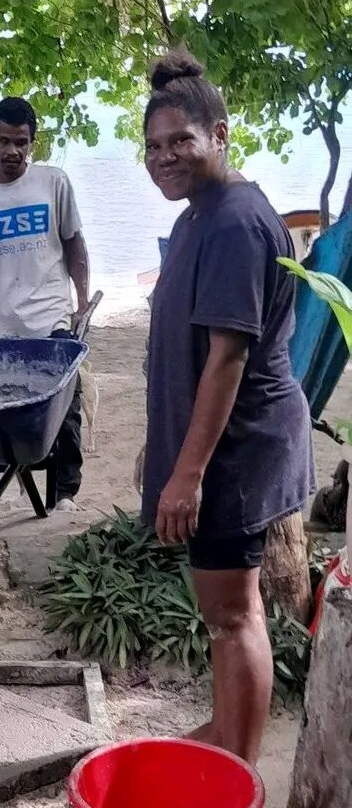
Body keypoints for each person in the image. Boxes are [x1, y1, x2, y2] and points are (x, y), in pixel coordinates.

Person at [141, 49, 313, 764]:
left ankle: (235, 770)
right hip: (220, 444)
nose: (164, 157)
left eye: (180, 140)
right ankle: (226, 734)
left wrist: (186, 473)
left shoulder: (235, 222)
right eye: (151, 146)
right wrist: (160, 446)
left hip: (237, 450)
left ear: (220, 134)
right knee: (223, 613)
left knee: (230, 615)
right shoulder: (199, 213)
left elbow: (228, 359)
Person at [0, 97, 90, 511]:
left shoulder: (53, 182)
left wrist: (81, 302)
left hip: (52, 316)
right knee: (3, 412)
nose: (12, 151)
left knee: (65, 408)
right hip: (4, 322)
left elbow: (74, 244)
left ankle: (64, 493)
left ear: (32, 142)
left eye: (21, 142)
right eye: (4, 141)